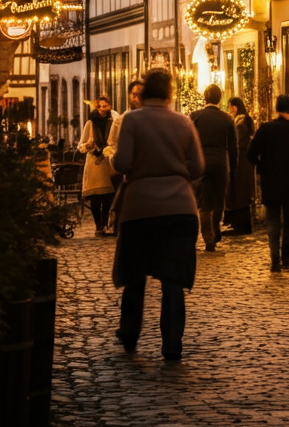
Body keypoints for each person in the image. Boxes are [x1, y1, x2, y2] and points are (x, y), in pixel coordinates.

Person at [110, 69, 203, 361]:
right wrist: (176, 175)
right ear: (170, 94)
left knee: (136, 275)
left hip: (141, 209)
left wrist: (123, 163)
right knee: (173, 280)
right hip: (180, 209)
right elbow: (198, 166)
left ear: (144, 92)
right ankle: (172, 344)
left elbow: (122, 162)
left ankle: (129, 334)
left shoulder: (132, 121)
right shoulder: (184, 123)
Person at [246, 94, 289, 272]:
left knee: (273, 220)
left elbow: (250, 153)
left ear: (276, 108)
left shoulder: (266, 129)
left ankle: (275, 259)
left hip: (271, 180)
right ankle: (286, 257)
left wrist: (262, 166)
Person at [190, 84, 237, 251]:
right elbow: (232, 147)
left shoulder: (196, 116)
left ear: (205, 98)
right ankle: (216, 228)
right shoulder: (227, 119)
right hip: (220, 163)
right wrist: (233, 166)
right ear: (220, 98)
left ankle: (208, 238)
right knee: (219, 199)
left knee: (203, 203)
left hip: (200, 162)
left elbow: (189, 142)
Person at [77, 95, 118, 236]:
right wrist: (87, 145)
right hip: (94, 163)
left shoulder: (112, 122)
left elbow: (115, 141)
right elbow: (80, 145)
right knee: (95, 197)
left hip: (107, 162)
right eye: (99, 106)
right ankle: (98, 226)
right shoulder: (90, 123)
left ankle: (105, 224)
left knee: (107, 197)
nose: (102, 109)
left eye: (105, 106)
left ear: (109, 107)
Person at [223, 96, 256, 234]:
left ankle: (240, 225)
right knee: (239, 192)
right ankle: (238, 223)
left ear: (235, 107)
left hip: (240, 162)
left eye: (230, 106)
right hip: (244, 162)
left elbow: (236, 144)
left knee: (239, 193)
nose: (230, 109)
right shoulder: (243, 121)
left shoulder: (239, 123)